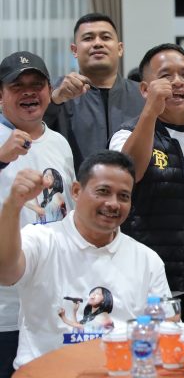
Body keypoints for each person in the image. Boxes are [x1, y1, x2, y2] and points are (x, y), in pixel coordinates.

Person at [0, 150, 170, 369]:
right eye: (103, 191)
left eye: (123, 196)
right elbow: (5, 273)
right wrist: (12, 206)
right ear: (76, 191)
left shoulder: (147, 260)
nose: (113, 203)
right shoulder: (41, 239)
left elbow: (166, 330)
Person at [108, 43, 184, 323]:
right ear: (145, 89)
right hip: (152, 290)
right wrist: (150, 112)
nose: (177, 82)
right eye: (166, 75)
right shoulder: (126, 134)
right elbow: (128, 175)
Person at [0, 51, 76, 377]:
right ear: (1, 94)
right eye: (17, 86)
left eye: (37, 84)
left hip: (54, 304)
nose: (29, 93)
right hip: (6, 309)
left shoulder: (59, 142)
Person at [44, 13, 145, 171]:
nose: (97, 43)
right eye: (88, 38)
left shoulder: (143, 95)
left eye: (105, 37)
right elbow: (29, 129)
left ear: (120, 48)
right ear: (74, 50)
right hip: (75, 185)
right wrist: (54, 100)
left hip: (134, 185)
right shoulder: (54, 91)